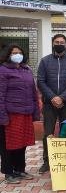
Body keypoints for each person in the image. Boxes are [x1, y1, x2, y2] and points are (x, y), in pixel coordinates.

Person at [37, 34, 66, 174]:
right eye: (57, 42)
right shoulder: (44, 61)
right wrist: (53, 97)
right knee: (48, 133)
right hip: (49, 103)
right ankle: (47, 161)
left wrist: (63, 97)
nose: (59, 44)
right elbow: (40, 81)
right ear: (53, 44)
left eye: (62, 42)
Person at [0, 44, 39, 184]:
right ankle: (8, 173)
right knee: (8, 145)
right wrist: (2, 116)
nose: (17, 54)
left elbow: (34, 92)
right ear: (8, 55)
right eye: (14, 52)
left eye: (19, 52)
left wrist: (36, 111)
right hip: (11, 114)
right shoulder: (3, 70)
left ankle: (20, 170)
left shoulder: (26, 69)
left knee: (22, 143)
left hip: (26, 113)